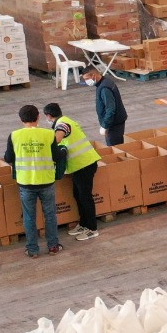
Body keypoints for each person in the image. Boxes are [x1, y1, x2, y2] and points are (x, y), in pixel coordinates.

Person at [4, 104, 67, 258]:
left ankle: (33, 250)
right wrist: (64, 150)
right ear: (38, 117)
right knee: (50, 214)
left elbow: (8, 158)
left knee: (29, 217)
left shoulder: (14, 136)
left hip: (25, 183)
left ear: (21, 120)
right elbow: (56, 156)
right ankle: (53, 246)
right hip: (46, 181)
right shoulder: (48, 134)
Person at [44, 102, 101, 242]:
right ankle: (83, 224)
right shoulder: (66, 120)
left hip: (85, 165)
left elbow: (56, 140)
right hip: (79, 166)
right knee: (78, 195)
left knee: (85, 197)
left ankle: (92, 229)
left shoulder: (62, 124)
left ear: (49, 116)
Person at [82, 68, 127, 146]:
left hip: (113, 124)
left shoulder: (104, 88)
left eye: (87, 79)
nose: (86, 82)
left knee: (114, 147)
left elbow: (110, 109)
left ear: (93, 76)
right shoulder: (106, 82)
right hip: (116, 121)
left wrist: (105, 126)